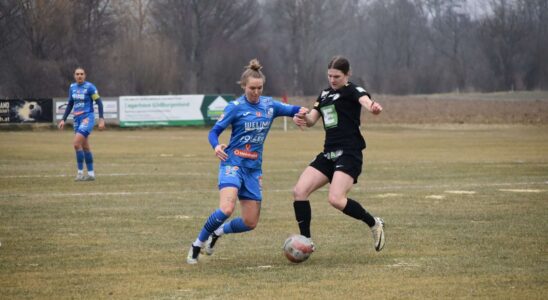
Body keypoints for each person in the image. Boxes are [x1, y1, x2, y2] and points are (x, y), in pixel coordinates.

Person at [186, 59, 308, 264]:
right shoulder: (235, 107)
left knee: (250, 222)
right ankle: (197, 245)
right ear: (244, 86)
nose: (256, 92)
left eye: (259, 88)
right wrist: (216, 146)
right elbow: (214, 132)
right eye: (252, 88)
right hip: (232, 163)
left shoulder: (270, 105)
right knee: (226, 209)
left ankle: (218, 232)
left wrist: (300, 114)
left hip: (253, 169)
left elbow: (297, 109)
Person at [292, 56, 385, 252]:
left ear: (347, 74)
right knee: (299, 192)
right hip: (329, 153)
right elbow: (311, 120)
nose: (332, 80)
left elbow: (366, 102)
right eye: (330, 76)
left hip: (349, 153)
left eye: (337, 76)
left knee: (335, 199)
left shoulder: (353, 90)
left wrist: (373, 108)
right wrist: (302, 119)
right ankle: (306, 241)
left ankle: (374, 223)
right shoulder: (324, 94)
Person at [58, 67, 105, 181]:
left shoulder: (90, 87)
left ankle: (79, 173)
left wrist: (101, 119)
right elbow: (70, 104)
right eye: (77, 74)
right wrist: (63, 119)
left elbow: (99, 103)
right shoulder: (72, 87)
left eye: (81, 74)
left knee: (76, 144)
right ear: (74, 75)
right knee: (85, 147)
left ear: (85, 75)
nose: (79, 76)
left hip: (87, 118)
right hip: (77, 119)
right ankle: (91, 174)